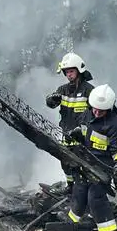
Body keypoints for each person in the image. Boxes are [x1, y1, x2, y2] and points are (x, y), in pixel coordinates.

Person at [65, 84, 117, 231]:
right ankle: (72, 223)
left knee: (96, 199)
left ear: (110, 107)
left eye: (101, 111)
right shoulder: (88, 113)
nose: (97, 113)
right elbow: (85, 129)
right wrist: (77, 133)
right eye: (94, 109)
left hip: (103, 167)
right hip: (85, 163)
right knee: (79, 192)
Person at [45, 52, 94, 189]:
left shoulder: (89, 90)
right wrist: (51, 100)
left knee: (82, 163)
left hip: (83, 137)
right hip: (66, 134)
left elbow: (96, 113)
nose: (69, 75)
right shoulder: (63, 90)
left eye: (71, 71)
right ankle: (71, 187)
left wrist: (83, 130)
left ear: (79, 71)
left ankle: (84, 188)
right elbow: (52, 104)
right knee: (65, 162)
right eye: (66, 72)